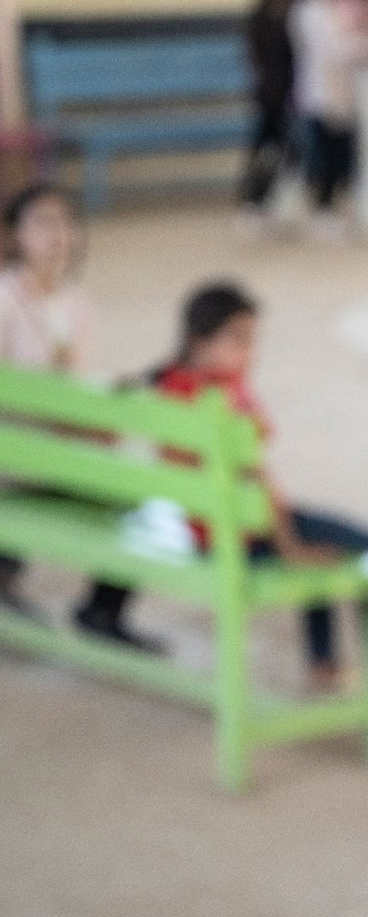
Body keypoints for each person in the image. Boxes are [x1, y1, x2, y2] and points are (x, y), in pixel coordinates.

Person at [155, 283, 368, 720]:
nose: (251, 351)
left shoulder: (172, 384)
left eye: (253, 339)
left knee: (320, 540)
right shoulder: (221, 400)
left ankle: (325, 666)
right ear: (199, 342)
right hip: (243, 534)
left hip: (207, 529)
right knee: (365, 545)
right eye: (239, 339)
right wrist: (290, 547)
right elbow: (254, 478)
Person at [0, 183, 163, 651]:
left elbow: (70, 386)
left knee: (127, 479)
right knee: (128, 484)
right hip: (18, 455)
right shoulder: (7, 301)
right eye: (42, 223)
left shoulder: (74, 304)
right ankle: (95, 607)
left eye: (66, 222)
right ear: (15, 236)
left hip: (49, 450)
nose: (58, 234)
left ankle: (100, 606)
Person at [288, 0, 368, 236]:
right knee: (324, 157)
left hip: (344, 95)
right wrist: (367, 44)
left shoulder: (339, 9)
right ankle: (321, 210)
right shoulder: (309, 12)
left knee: (341, 156)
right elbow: (330, 50)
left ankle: (328, 208)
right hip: (321, 95)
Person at [240, 0, 298, 231]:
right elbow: (260, 59)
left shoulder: (296, 13)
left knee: (290, 152)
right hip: (271, 96)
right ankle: (253, 200)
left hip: (293, 96)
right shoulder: (261, 18)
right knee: (264, 150)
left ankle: (274, 202)